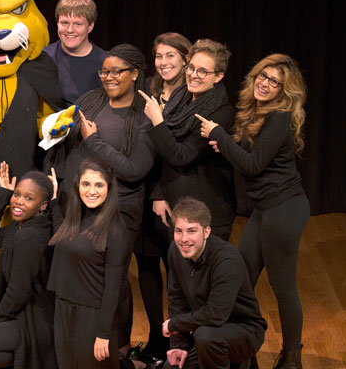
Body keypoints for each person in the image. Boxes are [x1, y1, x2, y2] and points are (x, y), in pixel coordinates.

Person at [197, 53, 309, 369]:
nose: (265, 83)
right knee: (240, 276)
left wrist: (218, 134)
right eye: (263, 76)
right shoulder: (259, 110)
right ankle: (245, 350)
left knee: (282, 286)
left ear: (283, 91)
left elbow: (253, 164)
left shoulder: (279, 117)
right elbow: (252, 159)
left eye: (274, 82)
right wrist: (228, 146)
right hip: (265, 209)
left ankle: (292, 358)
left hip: (283, 209)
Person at [47, 43, 155, 356]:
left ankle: (117, 348)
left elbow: (135, 169)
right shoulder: (92, 100)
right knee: (74, 272)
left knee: (113, 282)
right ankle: (73, 341)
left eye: (117, 71)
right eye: (104, 71)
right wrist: (60, 130)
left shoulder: (143, 115)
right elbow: (67, 134)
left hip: (118, 210)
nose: (108, 77)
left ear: (135, 74)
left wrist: (93, 140)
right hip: (76, 203)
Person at [132, 32, 192, 363]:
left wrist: (157, 192)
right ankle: (156, 337)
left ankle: (177, 340)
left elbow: (173, 152)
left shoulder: (192, 94)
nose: (164, 62)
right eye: (159, 56)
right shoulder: (148, 87)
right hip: (139, 189)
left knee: (176, 268)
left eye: (171, 56)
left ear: (185, 59)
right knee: (146, 263)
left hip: (169, 193)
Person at [139, 38, 236, 241]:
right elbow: (164, 155)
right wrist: (160, 192)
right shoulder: (181, 97)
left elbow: (180, 155)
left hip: (208, 212)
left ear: (218, 76)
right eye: (191, 67)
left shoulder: (220, 113)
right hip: (179, 205)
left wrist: (158, 121)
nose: (193, 75)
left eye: (203, 71)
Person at [0, 163, 56, 369]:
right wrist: (3, 195)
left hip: (33, 321)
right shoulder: (18, 229)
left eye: (28, 198)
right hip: (18, 313)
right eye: (17, 194)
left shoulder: (32, 236)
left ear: (43, 205)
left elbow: (18, 291)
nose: (19, 202)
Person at [163, 197, 266, 369]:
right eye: (179, 231)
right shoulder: (175, 250)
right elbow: (177, 298)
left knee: (205, 336)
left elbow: (216, 313)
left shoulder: (227, 260)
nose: (184, 239)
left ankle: (241, 360)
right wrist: (178, 345)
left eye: (191, 231)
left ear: (206, 231)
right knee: (171, 367)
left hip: (244, 330)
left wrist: (175, 323)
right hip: (208, 332)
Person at [47, 158, 130, 369]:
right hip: (64, 309)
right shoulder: (75, 218)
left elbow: (114, 286)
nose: (91, 191)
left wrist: (103, 334)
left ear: (109, 189)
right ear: (77, 186)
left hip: (91, 318)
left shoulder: (115, 230)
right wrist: (55, 200)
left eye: (99, 185)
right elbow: (62, 238)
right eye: (86, 184)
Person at [43, 0, 107, 105]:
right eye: (64, 23)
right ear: (57, 23)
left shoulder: (105, 62)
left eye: (77, 24)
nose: (69, 30)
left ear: (90, 27)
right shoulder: (44, 57)